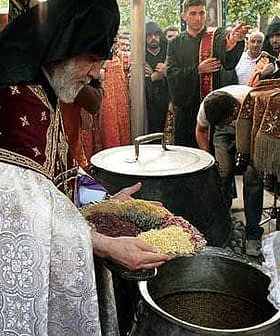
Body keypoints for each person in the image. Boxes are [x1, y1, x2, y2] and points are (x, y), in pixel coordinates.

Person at [0, 1, 170, 335]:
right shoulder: (15, 102)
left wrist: (106, 202)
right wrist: (108, 246)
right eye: (92, 59)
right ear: (60, 47)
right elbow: (22, 222)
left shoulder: (38, 89)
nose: (97, 73)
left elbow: (54, 176)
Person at [166, 0, 249, 147]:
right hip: (188, 108)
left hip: (214, 108)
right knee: (188, 152)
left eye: (201, 13)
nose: (198, 18)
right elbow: (172, 74)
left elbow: (226, 44)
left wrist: (233, 39)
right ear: (183, 16)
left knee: (217, 151)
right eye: (193, 13)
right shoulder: (175, 43)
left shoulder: (215, 36)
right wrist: (197, 70)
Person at [196, 85, 264, 257]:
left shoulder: (254, 101)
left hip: (252, 126)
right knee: (221, 173)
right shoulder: (208, 107)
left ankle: (253, 233)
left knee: (252, 178)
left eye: (227, 120)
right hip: (224, 132)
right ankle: (223, 223)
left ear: (234, 111)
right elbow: (201, 130)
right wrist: (208, 156)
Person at [145, 20, 169, 133]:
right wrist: (152, 78)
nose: (153, 38)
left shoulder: (169, 53)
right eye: (149, 35)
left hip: (168, 100)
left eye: (156, 34)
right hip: (148, 103)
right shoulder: (140, 57)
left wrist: (166, 72)